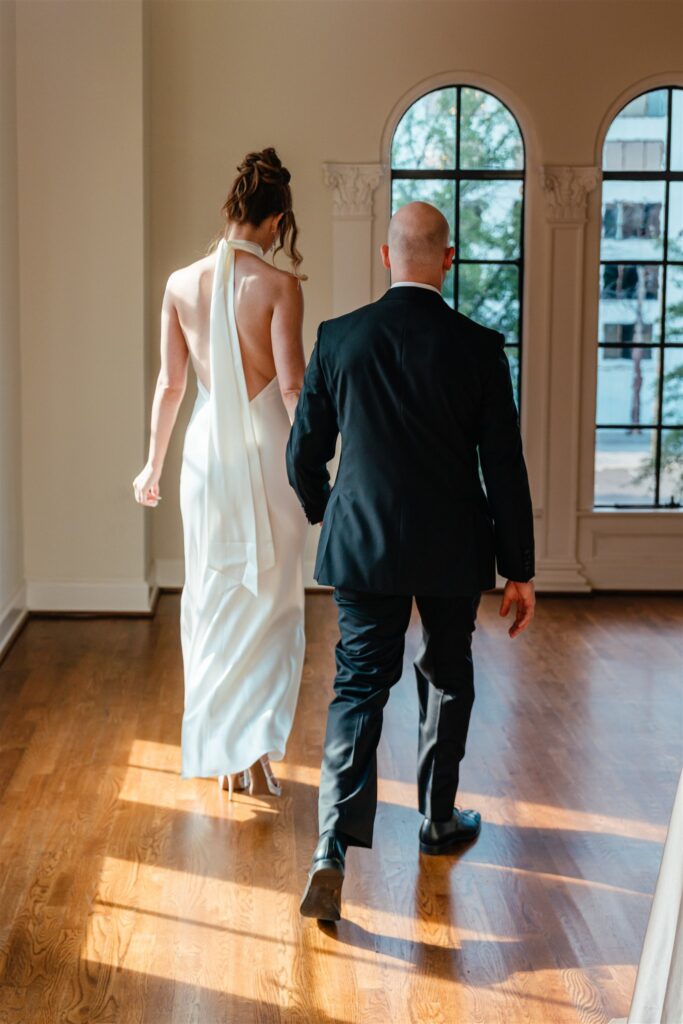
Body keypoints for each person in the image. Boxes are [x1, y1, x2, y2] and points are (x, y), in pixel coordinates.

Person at [287, 201, 536, 921]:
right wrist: (518, 568)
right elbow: (505, 469)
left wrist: (327, 510)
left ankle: (331, 845)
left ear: (386, 255)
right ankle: (435, 819)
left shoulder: (340, 338)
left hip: (362, 542)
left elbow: (303, 453)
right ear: (447, 261)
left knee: (359, 685)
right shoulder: (479, 348)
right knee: (447, 674)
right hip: (453, 547)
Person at [133, 148, 308, 799]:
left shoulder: (180, 283)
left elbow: (170, 384)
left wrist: (152, 463)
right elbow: (291, 387)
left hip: (205, 455)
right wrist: (318, 464)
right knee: (272, 600)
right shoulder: (279, 287)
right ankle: (255, 751)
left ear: (231, 208)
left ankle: (227, 754)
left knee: (213, 595)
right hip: (266, 453)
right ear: (276, 219)